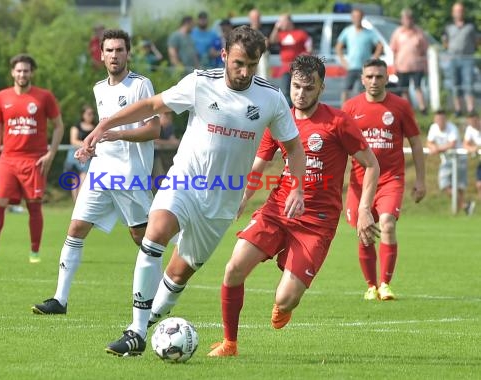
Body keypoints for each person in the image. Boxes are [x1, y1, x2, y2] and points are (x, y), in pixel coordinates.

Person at [77, 25, 306, 357]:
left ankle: (153, 319)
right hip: (185, 181)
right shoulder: (200, 82)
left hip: (222, 201)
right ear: (224, 55)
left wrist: (297, 188)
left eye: (252, 65)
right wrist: (103, 125)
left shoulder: (271, 97)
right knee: (154, 234)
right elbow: (153, 104)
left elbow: (295, 150)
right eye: (239, 63)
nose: (245, 72)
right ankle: (136, 331)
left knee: (178, 273)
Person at [208, 55, 380, 357]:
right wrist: (243, 198)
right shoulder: (279, 119)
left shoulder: (338, 122)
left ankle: (287, 288)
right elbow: (259, 165)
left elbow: (371, 165)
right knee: (234, 267)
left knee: (285, 300)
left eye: (308, 88)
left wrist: (364, 208)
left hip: (317, 222)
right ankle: (229, 344)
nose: (301, 94)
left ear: (321, 88)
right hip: (277, 211)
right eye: (296, 87)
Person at [32, 29, 160, 315]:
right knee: (76, 228)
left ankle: (159, 298)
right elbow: (103, 131)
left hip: (130, 174)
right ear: (101, 55)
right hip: (100, 171)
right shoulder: (99, 89)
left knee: (142, 237)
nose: (115, 55)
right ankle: (59, 300)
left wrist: (118, 136)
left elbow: (154, 129)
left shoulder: (141, 85)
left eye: (120, 50)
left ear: (128, 54)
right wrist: (89, 147)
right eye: (110, 51)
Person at [343, 58, 426, 301]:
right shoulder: (350, 108)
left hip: (391, 179)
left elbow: (416, 143)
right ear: (362, 79)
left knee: (388, 223)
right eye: (369, 76)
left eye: (379, 76)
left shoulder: (400, 106)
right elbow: (339, 145)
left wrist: (421, 180)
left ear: (387, 78)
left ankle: (385, 284)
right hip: (359, 183)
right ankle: (371, 286)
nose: (374, 81)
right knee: (365, 232)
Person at [0, 54, 64, 264]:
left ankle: (34, 253)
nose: (22, 74)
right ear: (13, 72)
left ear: (32, 73)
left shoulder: (44, 97)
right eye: (19, 70)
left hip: (34, 160)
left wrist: (51, 154)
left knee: (34, 205)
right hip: (8, 159)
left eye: (26, 70)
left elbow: (59, 126)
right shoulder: (2, 97)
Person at [336, 8, 383, 104]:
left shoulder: (369, 33)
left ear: (362, 17)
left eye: (359, 17)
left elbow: (379, 46)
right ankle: (343, 111)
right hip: (351, 67)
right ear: (352, 18)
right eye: (355, 17)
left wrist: (374, 58)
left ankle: (362, 110)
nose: (357, 19)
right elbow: (338, 46)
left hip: (365, 68)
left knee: (363, 91)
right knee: (346, 90)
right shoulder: (347, 31)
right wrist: (342, 60)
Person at [442, 2, 480, 117]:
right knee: (455, 85)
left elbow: (478, 40)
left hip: (467, 59)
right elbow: (445, 41)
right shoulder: (448, 26)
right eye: (456, 11)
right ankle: (458, 110)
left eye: (461, 10)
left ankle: (471, 110)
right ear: (453, 13)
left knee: (468, 84)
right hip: (453, 59)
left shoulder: (471, 26)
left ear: (464, 12)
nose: (459, 13)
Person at [427, 110, 469, 214]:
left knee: (459, 187)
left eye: (442, 119)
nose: (440, 121)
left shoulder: (452, 128)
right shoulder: (433, 128)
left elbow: (452, 144)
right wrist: (433, 147)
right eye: (438, 119)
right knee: (444, 184)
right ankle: (465, 205)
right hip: (446, 160)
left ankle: (459, 212)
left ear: (445, 119)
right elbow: (429, 142)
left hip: (459, 159)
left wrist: (437, 149)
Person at [389, 8, 429, 115]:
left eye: (409, 18)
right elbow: (394, 50)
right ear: (402, 20)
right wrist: (395, 65)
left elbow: (425, 50)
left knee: (417, 87)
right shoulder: (398, 33)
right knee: (404, 89)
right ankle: (409, 110)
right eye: (405, 19)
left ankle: (423, 109)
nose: (408, 21)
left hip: (417, 65)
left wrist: (426, 66)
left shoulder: (419, 32)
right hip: (402, 66)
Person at [268, 13, 312, 105]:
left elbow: (309, 48)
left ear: (289, 22)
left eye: (282, 21)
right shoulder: (281, 34)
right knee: (286, 92)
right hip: (285, 69)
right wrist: (276, 28)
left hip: (298, 69)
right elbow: (272, 40)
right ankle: (289, 112)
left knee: (298, 91)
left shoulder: (300, 34)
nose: (280, 23)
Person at [63, 104, 96, 201]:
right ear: (83, 114)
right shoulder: (76, 127)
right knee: (75, 181)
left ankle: (81, 201)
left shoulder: (95, 127)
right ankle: (75, 203)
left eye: (92, 114)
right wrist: (86, 145)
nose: (91, 116)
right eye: (89, 113)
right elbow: (73, 141)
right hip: (75, 156)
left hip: (87, 157)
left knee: (84, 179)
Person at [152, 111, 180, 184]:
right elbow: (153, 140)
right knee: (159, 177)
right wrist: (169, 142)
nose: (169, 119)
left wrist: (172, 142)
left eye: (170, 116)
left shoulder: (168, 127)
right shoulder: (155, 126)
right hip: (152, 157)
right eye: (166, 116)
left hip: (162, 156)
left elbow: (174, 141)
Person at [463, 111, 481, 208]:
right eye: (470, 122)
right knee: (479, 185)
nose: (472, 124)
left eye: (473, 121)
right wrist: (473, 149)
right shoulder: (470, 129)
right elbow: (465, 144)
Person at [248, 7, 270, 79]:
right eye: (253, 18)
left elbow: (265, 45)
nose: (255, 20)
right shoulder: (245, 31)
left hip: (261, 57)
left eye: (257, 18)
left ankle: (263, 83)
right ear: (250, 18)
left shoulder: (265, 30)